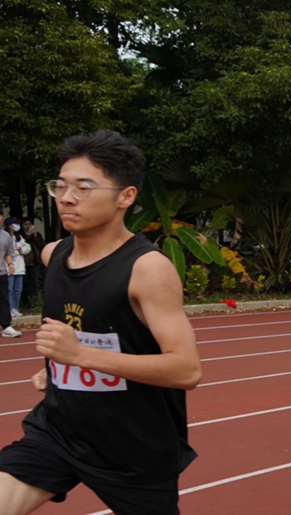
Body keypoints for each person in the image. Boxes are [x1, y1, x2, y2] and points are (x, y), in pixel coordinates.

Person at [0, 130, 202, 514]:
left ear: (126, 196)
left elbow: (187, 369)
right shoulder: (52, 254)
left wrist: (79, 356)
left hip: (133, 448)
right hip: (57, 431)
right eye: (60, 186)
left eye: (84, 188)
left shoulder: (147, 269)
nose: (66, 197)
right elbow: (86, 327)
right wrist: (57, 365)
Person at [0, 211, 22, 337]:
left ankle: (6, 326)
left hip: (1, 272)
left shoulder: (5, 235)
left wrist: (10, 264)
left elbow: (8, 252)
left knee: (4, 299)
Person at [5, 218, 31, 318]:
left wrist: (20, 248)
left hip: (19, 267)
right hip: (8, 267)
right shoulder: (4, 236)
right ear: (9, 225)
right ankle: (9, 309)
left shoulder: (19, 237)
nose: (17, 226)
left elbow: (27, 248)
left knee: (18, 289)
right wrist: (14, 250)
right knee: (9, 290)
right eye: (14, 224)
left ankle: (15, 308)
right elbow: (6, 251)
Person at [21, 219, 46, 310]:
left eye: (29, 224)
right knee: (25, 283)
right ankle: (25, 303)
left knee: (35, 282)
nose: (28, 226)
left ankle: (35, 302)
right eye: (25, 224)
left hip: (35, 262)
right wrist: (27, 235)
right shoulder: (20, 235)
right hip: (24, 262)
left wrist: (35, 236)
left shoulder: (37, 234)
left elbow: (43, 245)